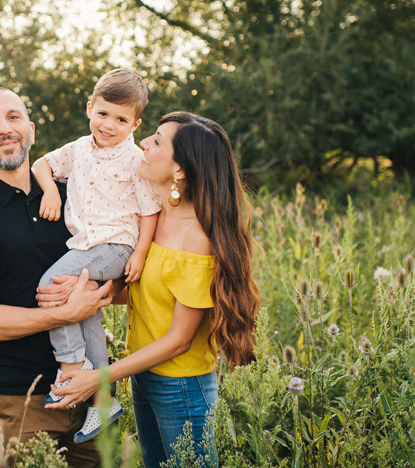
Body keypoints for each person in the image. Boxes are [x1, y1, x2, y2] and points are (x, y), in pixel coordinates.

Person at [40, 112, 261, 468]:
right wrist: (91, 289)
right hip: (142, 373)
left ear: (180, 171)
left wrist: (98, 378)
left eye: (157, 141)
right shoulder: (156, 215)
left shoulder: (197, 238)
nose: (143, 142)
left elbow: (180, 339)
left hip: (181, 387)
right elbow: (146, 289)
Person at [0, 87, 114, 468]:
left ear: (31, 131)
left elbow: (120, 263)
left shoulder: (76, 196)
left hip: (95, 396)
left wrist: (103, 286)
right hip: (26, 401)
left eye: (13, 117)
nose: (4, 129)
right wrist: (64, 313)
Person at [32, 69, 160, 443]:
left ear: (135, 123)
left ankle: (72, 366)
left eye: (121, 119)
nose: (109, 125)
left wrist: (138, 254)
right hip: (87, 245)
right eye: (103, 113)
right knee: (84, 307)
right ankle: (102, 399)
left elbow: (149, 211)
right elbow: (42, 164)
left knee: (51, 285)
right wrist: (51, 192)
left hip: (115, 247)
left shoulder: (135, 160)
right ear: (90, 108)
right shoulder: (78, 149)